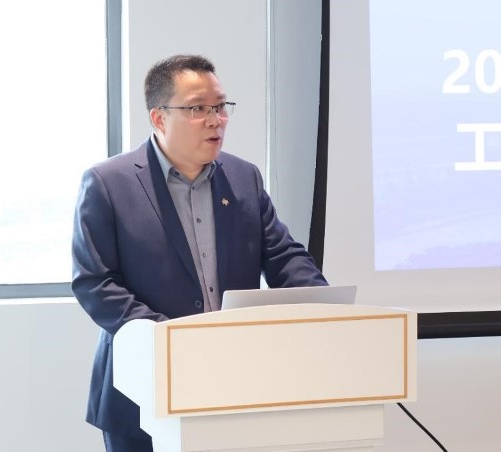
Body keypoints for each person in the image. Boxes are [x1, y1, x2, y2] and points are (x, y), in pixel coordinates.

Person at [71, 54, 329, 452]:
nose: (215, 120)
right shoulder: (108, 183)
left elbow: (283, 256)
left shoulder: (243, 177)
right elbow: (95, 282)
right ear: (159, 118)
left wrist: (325, 307)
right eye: (198, 109)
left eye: (220, 107)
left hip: (232, 384)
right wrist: (168, 341)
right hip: (141, 387)